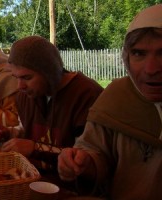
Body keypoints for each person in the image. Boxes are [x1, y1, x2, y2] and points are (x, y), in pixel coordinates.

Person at [57, 4, 162, 199]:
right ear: (127, 58)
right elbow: (95, 150)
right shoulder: (117, 96)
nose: (151, 68)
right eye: (139, 53)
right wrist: (83, 162)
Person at [0, 36, 103, 188]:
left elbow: (85, 157)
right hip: (32, 184)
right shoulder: (26, 96)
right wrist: (9, 133)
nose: (20, 86)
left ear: (49, 72)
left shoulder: (86, 95)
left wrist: (35, 148)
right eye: (16, 77)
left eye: (27, 77)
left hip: (72, 191)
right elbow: (28, 130)